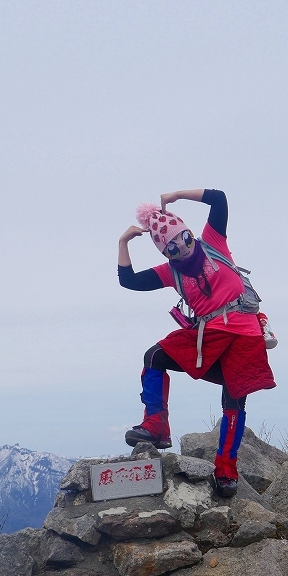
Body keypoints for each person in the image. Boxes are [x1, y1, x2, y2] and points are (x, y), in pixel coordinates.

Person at [117, 188, 275, 497]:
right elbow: (129, 281)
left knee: (234, 400)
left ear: (190, 233)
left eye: (185, 238)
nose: (183, 248)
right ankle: (156, 427)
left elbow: (219, 198)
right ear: (166, 254)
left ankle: (226, 469)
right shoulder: (170, 272)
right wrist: (123, 242)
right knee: (155, 357)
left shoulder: (214, 243)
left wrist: (176, 195)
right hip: (208, 337)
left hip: (243, 335)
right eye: (172, 248)